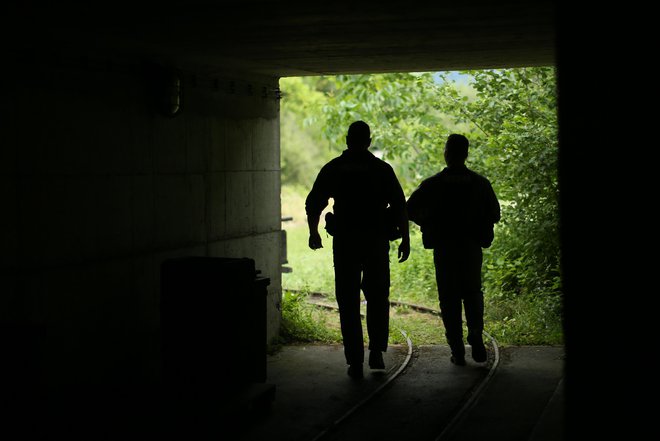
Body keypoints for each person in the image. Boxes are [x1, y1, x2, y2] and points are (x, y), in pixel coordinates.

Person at [305, 120, 410, 379]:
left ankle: (354, 359)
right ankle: (376, 352)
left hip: (346, 243)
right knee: (377, 297)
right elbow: (399, 205)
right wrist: (405, 238)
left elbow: (314, 202)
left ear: (347, 139)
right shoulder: (381, 169)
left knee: (348, 300)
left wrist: (313, 231)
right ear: (369, 141)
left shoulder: (335, 168)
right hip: (375, 241)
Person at [407, 134, 500, 365]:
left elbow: (410, 209)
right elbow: (495, 213)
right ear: (466, 154)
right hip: (470, 248)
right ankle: (476, 333)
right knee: (472, 292)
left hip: (444, 249)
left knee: (448, 297)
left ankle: (457, 348)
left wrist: (428, 222)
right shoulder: (480, 183)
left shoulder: (432, 184)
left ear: (446, 153)